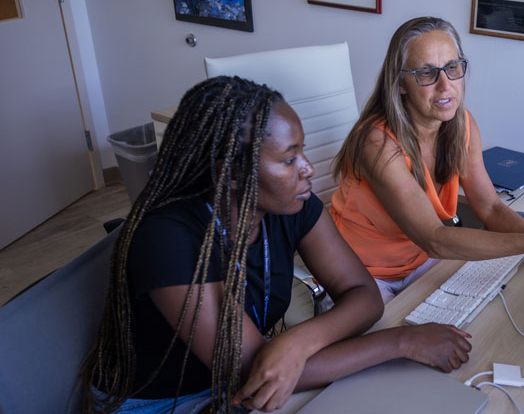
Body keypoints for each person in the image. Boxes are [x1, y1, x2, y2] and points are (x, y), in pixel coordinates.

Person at [79, 76, 471, 413]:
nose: (307, 169)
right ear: (230, 173)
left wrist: (295, 343)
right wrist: (402, 341)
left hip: (243, 384)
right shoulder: (169, 237)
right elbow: (253, 371)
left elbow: (362, 295)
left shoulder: (289, 204)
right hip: (165, 403)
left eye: (300, 151)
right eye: (288, 159)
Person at [331, 17, 524, 303]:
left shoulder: (462, 125)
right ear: (401, 82)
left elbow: (490, 207)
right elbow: (433, 238)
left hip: (420, 263)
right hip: (360, 274)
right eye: (427, 73)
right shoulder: (376, 142)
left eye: (453, 68)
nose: (445, 86)